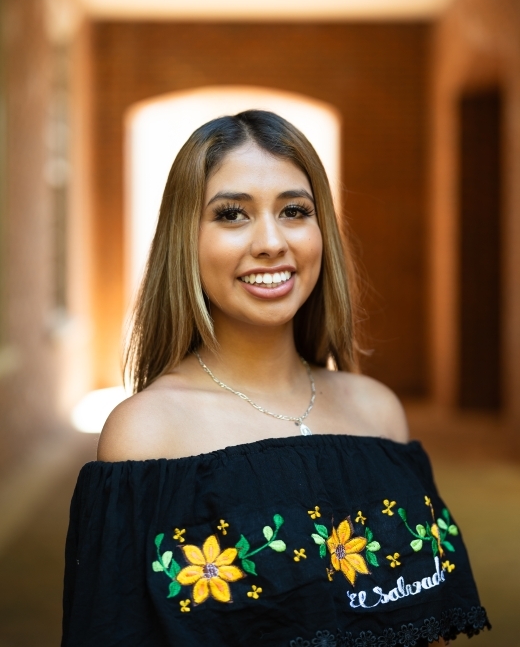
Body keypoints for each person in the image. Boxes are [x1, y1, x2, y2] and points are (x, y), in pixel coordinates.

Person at [62, 110, 489, 646]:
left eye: (294, 210)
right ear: (185, 239)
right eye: (232, 215)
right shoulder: (147, 436)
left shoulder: (379, 414)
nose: (271, 241)